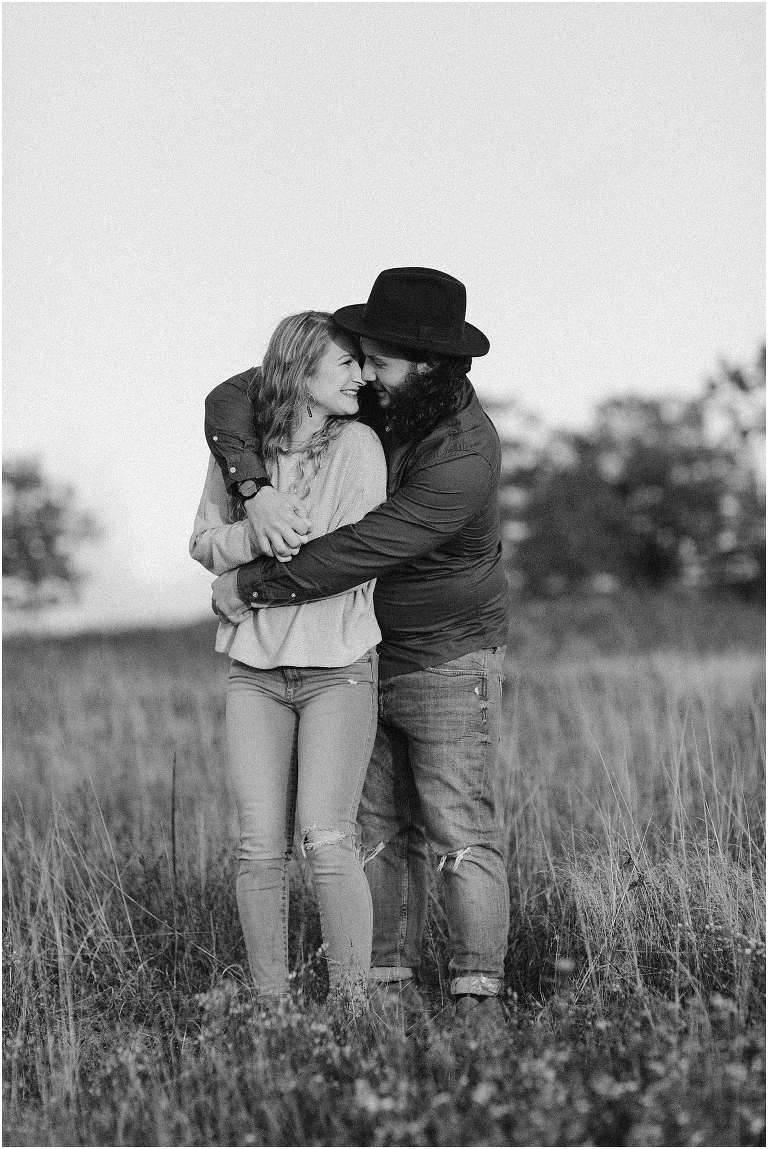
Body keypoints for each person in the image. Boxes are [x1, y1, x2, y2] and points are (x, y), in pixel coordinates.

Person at [207, 268, 511, 1037]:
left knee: (458, 829)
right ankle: (382, 989)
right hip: (365, 652)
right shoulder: (380, 394)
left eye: (380, 361)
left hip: (446, 657)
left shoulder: (464, 456)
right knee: (371, 829)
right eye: (361, 358)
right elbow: (231, 397)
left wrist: (249, 583)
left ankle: (478, 1000)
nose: (366, 371)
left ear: (431, 366)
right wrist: (252, 489)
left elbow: (359, 550)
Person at [190, 311, 387, 1007]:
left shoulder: (360, 445)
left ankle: (354, 1004)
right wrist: (255, 526)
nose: (360, 375)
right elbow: (204, 543)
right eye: (344, 365)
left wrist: (242, 583)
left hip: (337, 667)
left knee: (328, 838)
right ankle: (273, 1007)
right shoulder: (244, 457)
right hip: (255, 674)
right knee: (257, 847)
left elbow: (337, 558)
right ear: (300, 374)